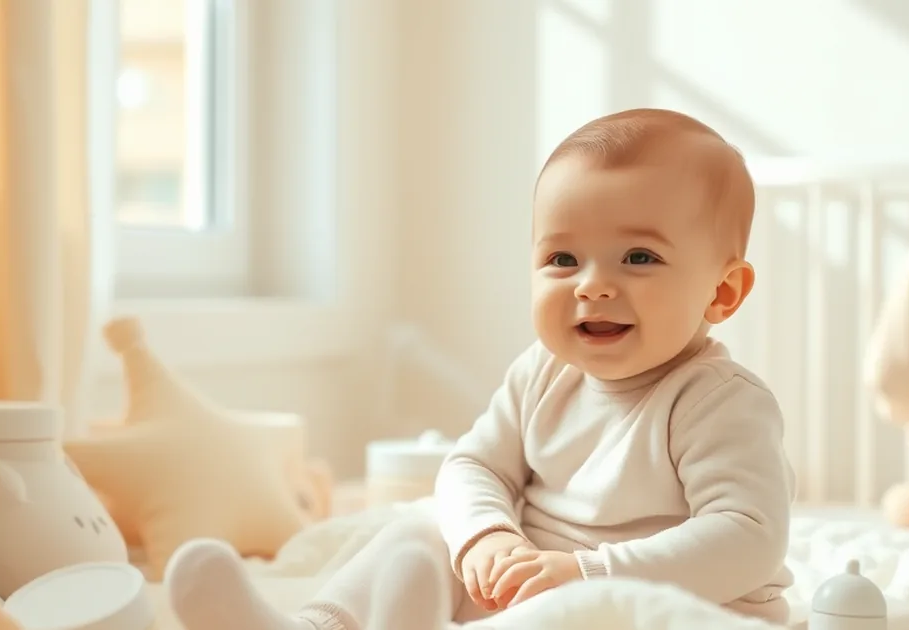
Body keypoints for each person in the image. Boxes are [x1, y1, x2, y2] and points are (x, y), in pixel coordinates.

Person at [163, 108, 797, 630]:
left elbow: (746, 536)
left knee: (565, 617)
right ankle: (316, 626)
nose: (592, 286)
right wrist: (487, 539)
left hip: (668, 606)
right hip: (533, 573)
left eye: (637, 257)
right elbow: (472, 466)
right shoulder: (542, 372)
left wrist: (588, 573)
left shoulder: (721, 402)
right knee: (420, 526)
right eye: (563, 258)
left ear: (722, 294)